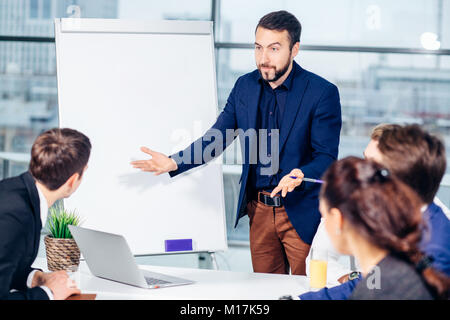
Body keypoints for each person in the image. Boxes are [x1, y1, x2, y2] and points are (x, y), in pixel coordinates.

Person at [131, 10, 341, 275]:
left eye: (274, 49)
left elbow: (326, 157)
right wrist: (175, 161)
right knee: (265, 292)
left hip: (301, 213)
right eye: (258, 48)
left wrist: (302, 173)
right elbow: (217, 136)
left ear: (294, 49)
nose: (263, 58)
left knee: (307, 288)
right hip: (260, 211)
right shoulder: (245, 87)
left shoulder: (322, 93)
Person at [299, 124, 450, 299]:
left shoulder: (435, 246)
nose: (360, 172)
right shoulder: (399, 214)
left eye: (370, 167)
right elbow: (369, 283)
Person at [0, 128, 91, 300]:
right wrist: (49, 294)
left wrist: (35, 279)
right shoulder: (16, 215)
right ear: (72, 181)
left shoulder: (15, 190)